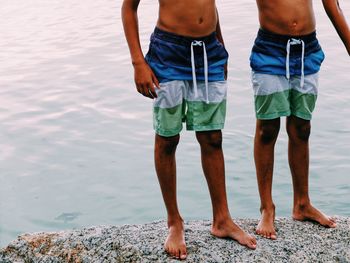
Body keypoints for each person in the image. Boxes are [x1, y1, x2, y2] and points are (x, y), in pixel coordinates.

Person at [121, 0, 257, 259]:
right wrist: (138, 62)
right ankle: (174, 221)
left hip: (209, 53)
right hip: (168, 55)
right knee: (167, 138)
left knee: (213, 137)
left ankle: (222, 219)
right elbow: (129, 8)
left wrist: (221, 44)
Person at [250, 0, 350, 239]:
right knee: (267, 128)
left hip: (307, 49)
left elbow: (332, 3)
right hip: (270, 50)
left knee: (301, 128)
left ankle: (302, 203)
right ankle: (267, 207)